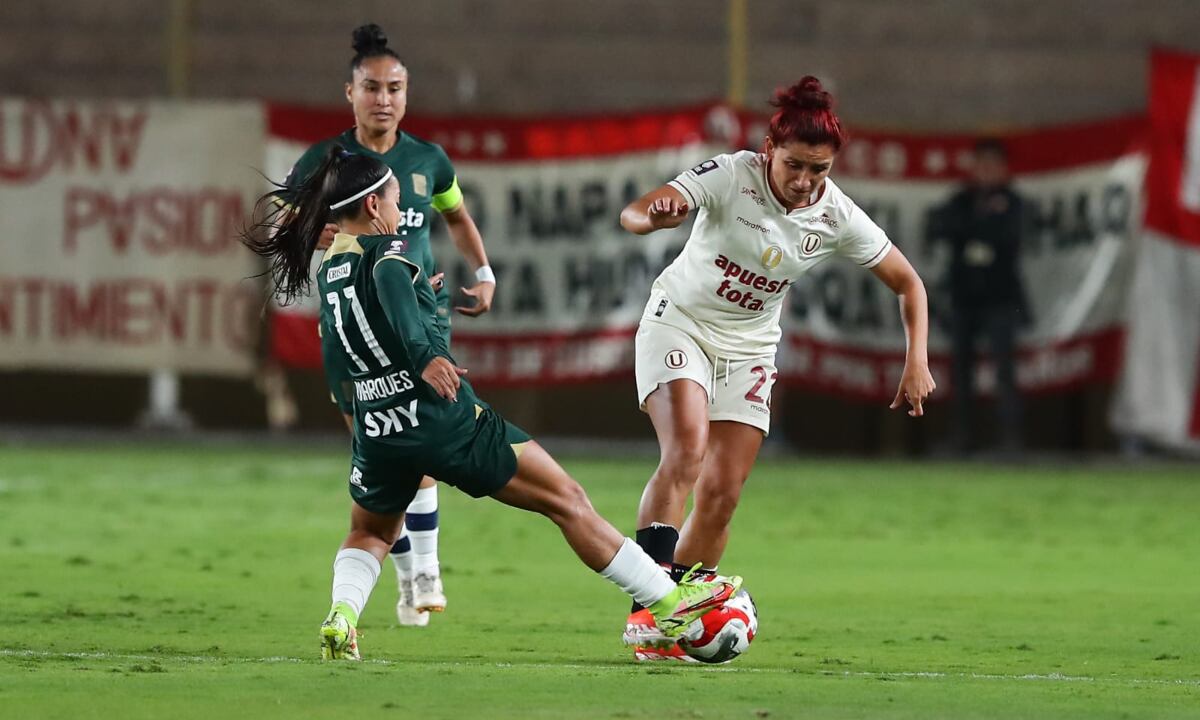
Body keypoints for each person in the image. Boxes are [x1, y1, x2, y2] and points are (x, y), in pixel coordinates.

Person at [243, 147, 742, 660]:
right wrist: (425, 353)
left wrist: (430, 307)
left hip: (378, 426)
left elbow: (366, 338)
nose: (399, 210)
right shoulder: (388, 250)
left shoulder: (331, 270)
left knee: (368, 530)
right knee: (566, 500)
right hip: (442, 418)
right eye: (394, 198)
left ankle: (341, 617)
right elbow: (395, 292)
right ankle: (667, 600)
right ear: (372, 206)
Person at [618, 77, 936, 661]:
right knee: (686, 451)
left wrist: (916, 359)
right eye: (795, 164)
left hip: (751, 349)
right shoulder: (731, 174)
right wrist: (655, 218)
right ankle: (650, 605)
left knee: (722, 496)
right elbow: (637, 211)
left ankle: (675, 625)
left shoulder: (836, 214)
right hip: (680, 323)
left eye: (820, 169)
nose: (805, 180)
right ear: (770, 149)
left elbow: (908, 283)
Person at [277, 23, 496, 626]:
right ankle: (407, 573)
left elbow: (456, 217)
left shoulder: (427, 161)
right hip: (351, 329)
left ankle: (423, 566)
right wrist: (319, 232)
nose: (384, 99)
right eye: (371, 87)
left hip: (415, 324)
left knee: (418, 443)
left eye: (394, 87)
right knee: (378, 448)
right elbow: (280, 223)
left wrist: (484, 273)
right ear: (349, 93)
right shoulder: (325, 161)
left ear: (407, 93)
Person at [928, 139, 1029, 454]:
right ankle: (962, 437)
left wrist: (976, 229)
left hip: (1000, 297)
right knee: (960, 372)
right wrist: (982, 224)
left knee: (1004, 370)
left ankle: (1010, 438)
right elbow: (942, 227)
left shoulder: (1014, 202)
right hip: (964, 298)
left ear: (1003, 168)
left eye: (992, 165)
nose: (985, 171)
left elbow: (1011, 235)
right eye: (980, 164)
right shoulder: (960, 200)